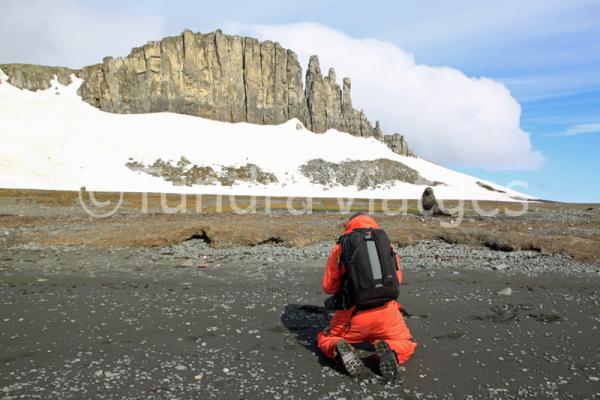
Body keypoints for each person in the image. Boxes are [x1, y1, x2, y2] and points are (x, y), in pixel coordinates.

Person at [317, 213, 416, 382]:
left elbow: (329, 287)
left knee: (325, 338)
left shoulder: (341, 246)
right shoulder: (386, 244)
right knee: (405, 342)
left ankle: (338, 347)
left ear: (349, 224)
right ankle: (390, 351)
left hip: (353, 315)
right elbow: (397, 280)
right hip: (387, 315)